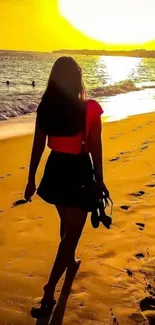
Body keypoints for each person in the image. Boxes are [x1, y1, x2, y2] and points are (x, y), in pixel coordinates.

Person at [24, 56, 109, 319]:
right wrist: (100, 178)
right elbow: (95, 146)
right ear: (77, 79)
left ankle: (70, 262)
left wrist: (31, 178)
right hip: (79, 172)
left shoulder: (45, 108)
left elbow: (38, 145)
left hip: (55, 170)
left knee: (67, 225)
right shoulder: (90, 109)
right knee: (72, 233)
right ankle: (50, 290)